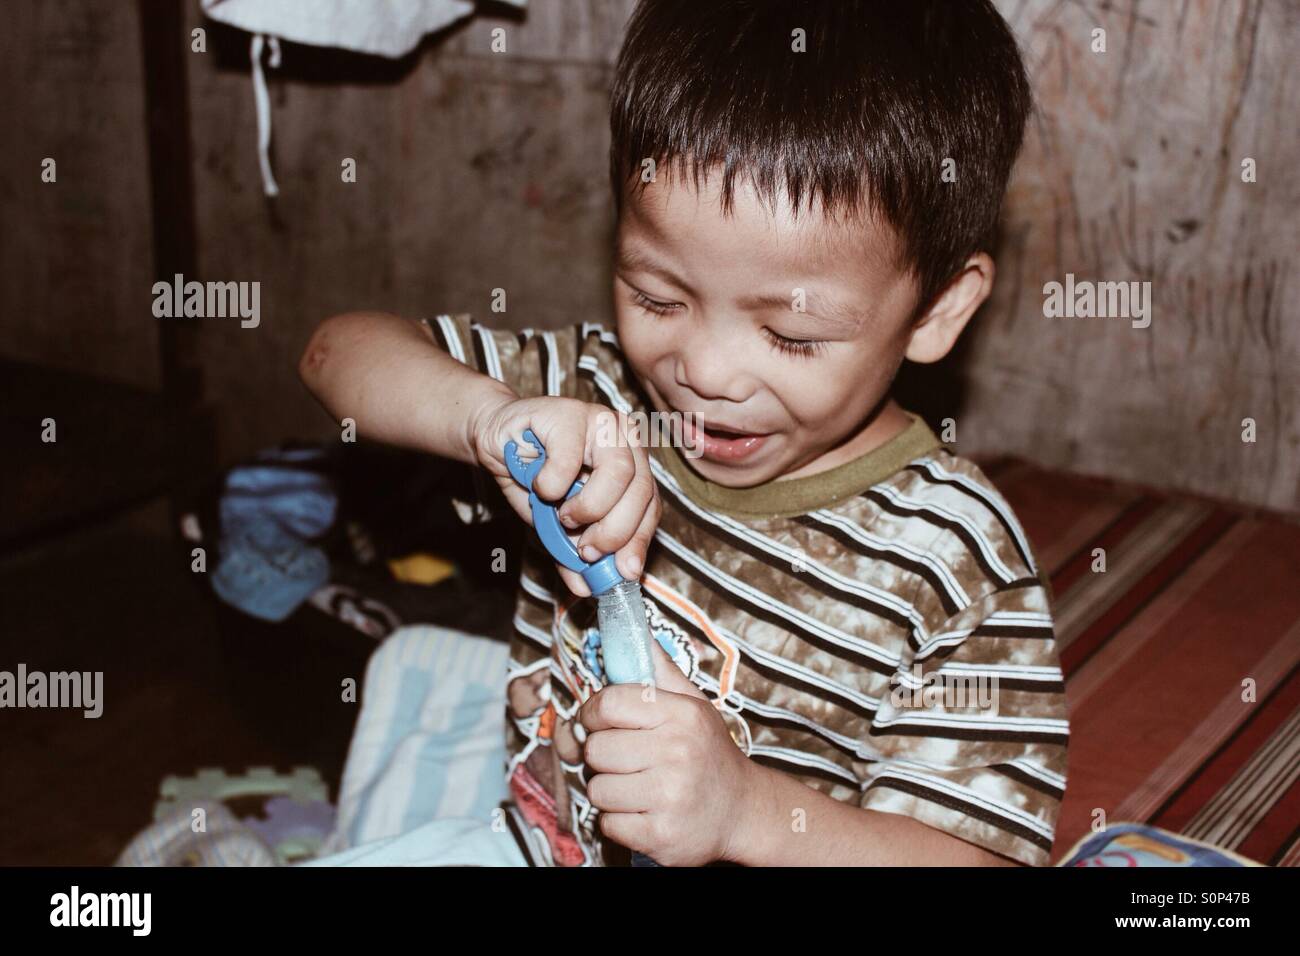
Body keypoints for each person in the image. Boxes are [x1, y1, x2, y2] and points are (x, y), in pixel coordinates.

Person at [300, 0, 1067, 866]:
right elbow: (337, 354)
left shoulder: (953, 560)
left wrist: (746, 813)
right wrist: (489, 419)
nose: (703, 370)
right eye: (658, 296)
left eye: (791, 334)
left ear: (937, 309)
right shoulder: (597, 398)